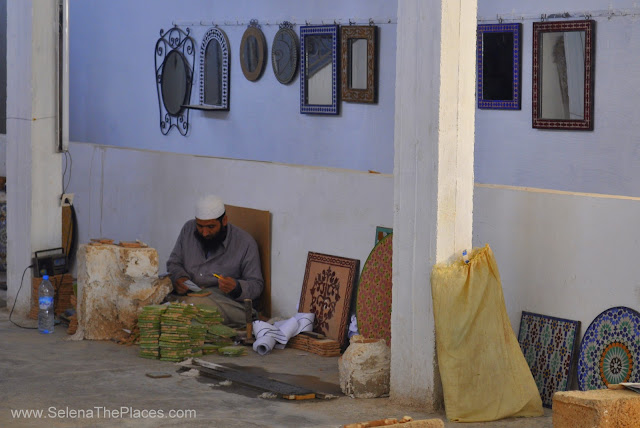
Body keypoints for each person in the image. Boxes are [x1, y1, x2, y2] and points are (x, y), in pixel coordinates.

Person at [166, 195, 263, 328]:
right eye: (200, 226)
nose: (205, 233)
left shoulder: (245, 243)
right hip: (189, 293)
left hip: (224, 301)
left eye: (211, 227)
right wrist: (180, 278)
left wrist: (237, 287)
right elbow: (173, 263)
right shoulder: (188, 229)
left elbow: (256, 285)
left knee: (189, 308)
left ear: (224, 221)